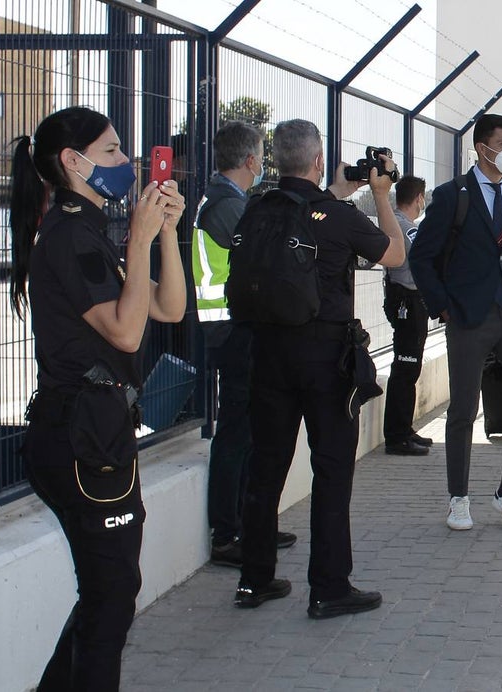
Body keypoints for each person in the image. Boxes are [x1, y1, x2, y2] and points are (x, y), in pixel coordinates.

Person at [9, 106, 187, 689]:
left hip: (95, 430)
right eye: (111, 151)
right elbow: (126, 332)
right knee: (111, 600)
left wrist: (163, 236)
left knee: (109, 594)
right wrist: (136, 240)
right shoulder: (69, 231)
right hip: (82, 435)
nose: (127, 163)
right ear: (72, 161)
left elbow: (169, 308)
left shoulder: (86, 229)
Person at [233, 119, 405, 619]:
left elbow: (304, 214)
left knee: (266, 467)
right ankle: (329, 587)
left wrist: (340, 190)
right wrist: (381, 195)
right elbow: (395, 253)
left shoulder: (260, 208)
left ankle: (255, 579)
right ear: (317, 159)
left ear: (276, 160)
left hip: (265, 353)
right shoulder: (337, 216)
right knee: (330, 471)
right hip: (325, 360)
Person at [409, 113, 502, 532]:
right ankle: (458, 497)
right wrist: (443, 306)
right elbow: (422, 258)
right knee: (464, 409)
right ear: (482, 147)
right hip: (469, 317)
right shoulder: (454, 195)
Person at [192, 121, 297, 567]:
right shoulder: (224, 205)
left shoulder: (228, 200)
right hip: (230, 332)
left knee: (250, 432)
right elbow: (264, 253)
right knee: (236, 435)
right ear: (252, 160)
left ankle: (251, 525)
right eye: (261, 158)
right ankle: (227, 534)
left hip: (238, 330)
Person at [382, 174, 434, 456]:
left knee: (408, 368)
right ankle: (397, 436)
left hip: (409, 301)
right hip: (408, 301)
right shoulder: (405, 227)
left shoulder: (399, 224)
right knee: (405, 368)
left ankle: (404, 428)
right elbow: (424, 255)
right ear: (418, 199)